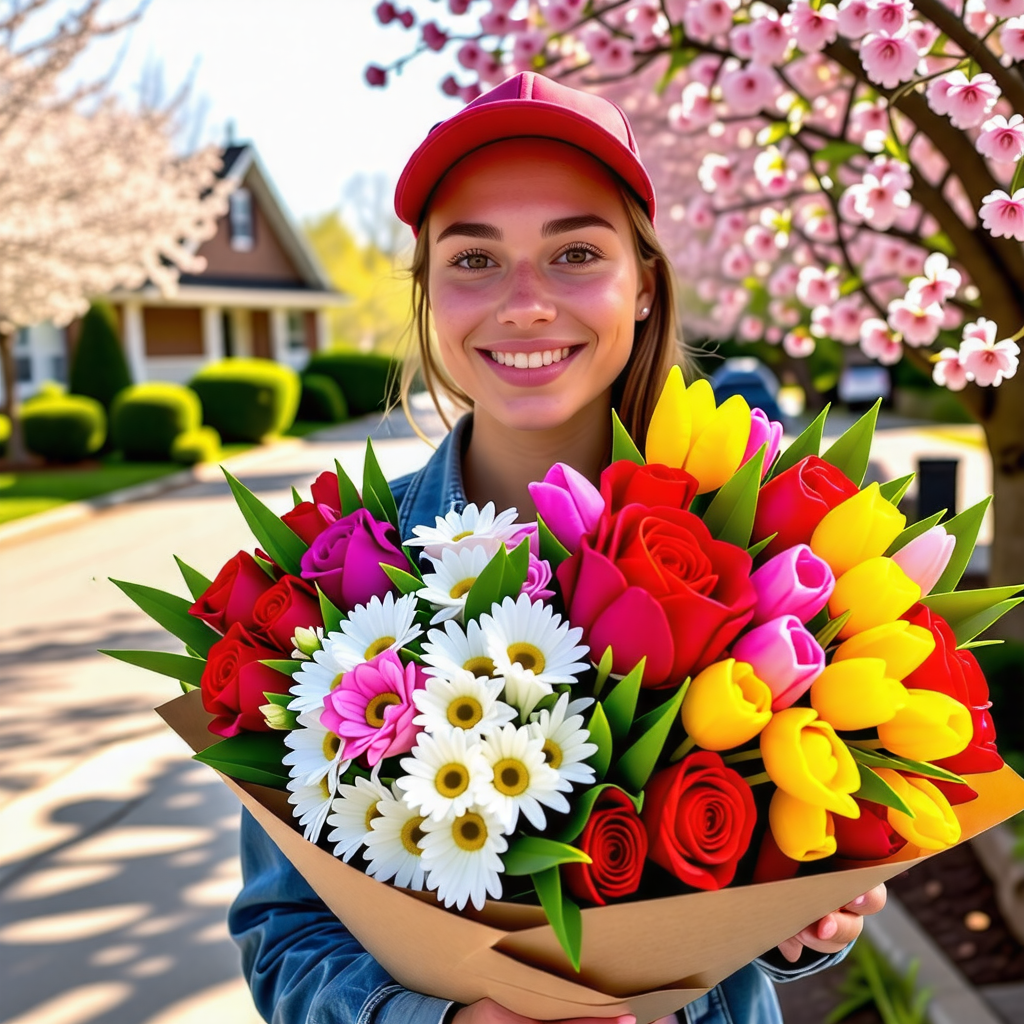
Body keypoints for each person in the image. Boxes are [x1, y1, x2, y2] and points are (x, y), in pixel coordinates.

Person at [228, 73, 886, 1024]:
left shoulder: (772, 554)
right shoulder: (330, 586)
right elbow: (282, 935)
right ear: (428, 291)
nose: (526, 304)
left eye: (575, 252)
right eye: (475, 259)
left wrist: (805, 910)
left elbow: (762, 924)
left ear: (645, 282)